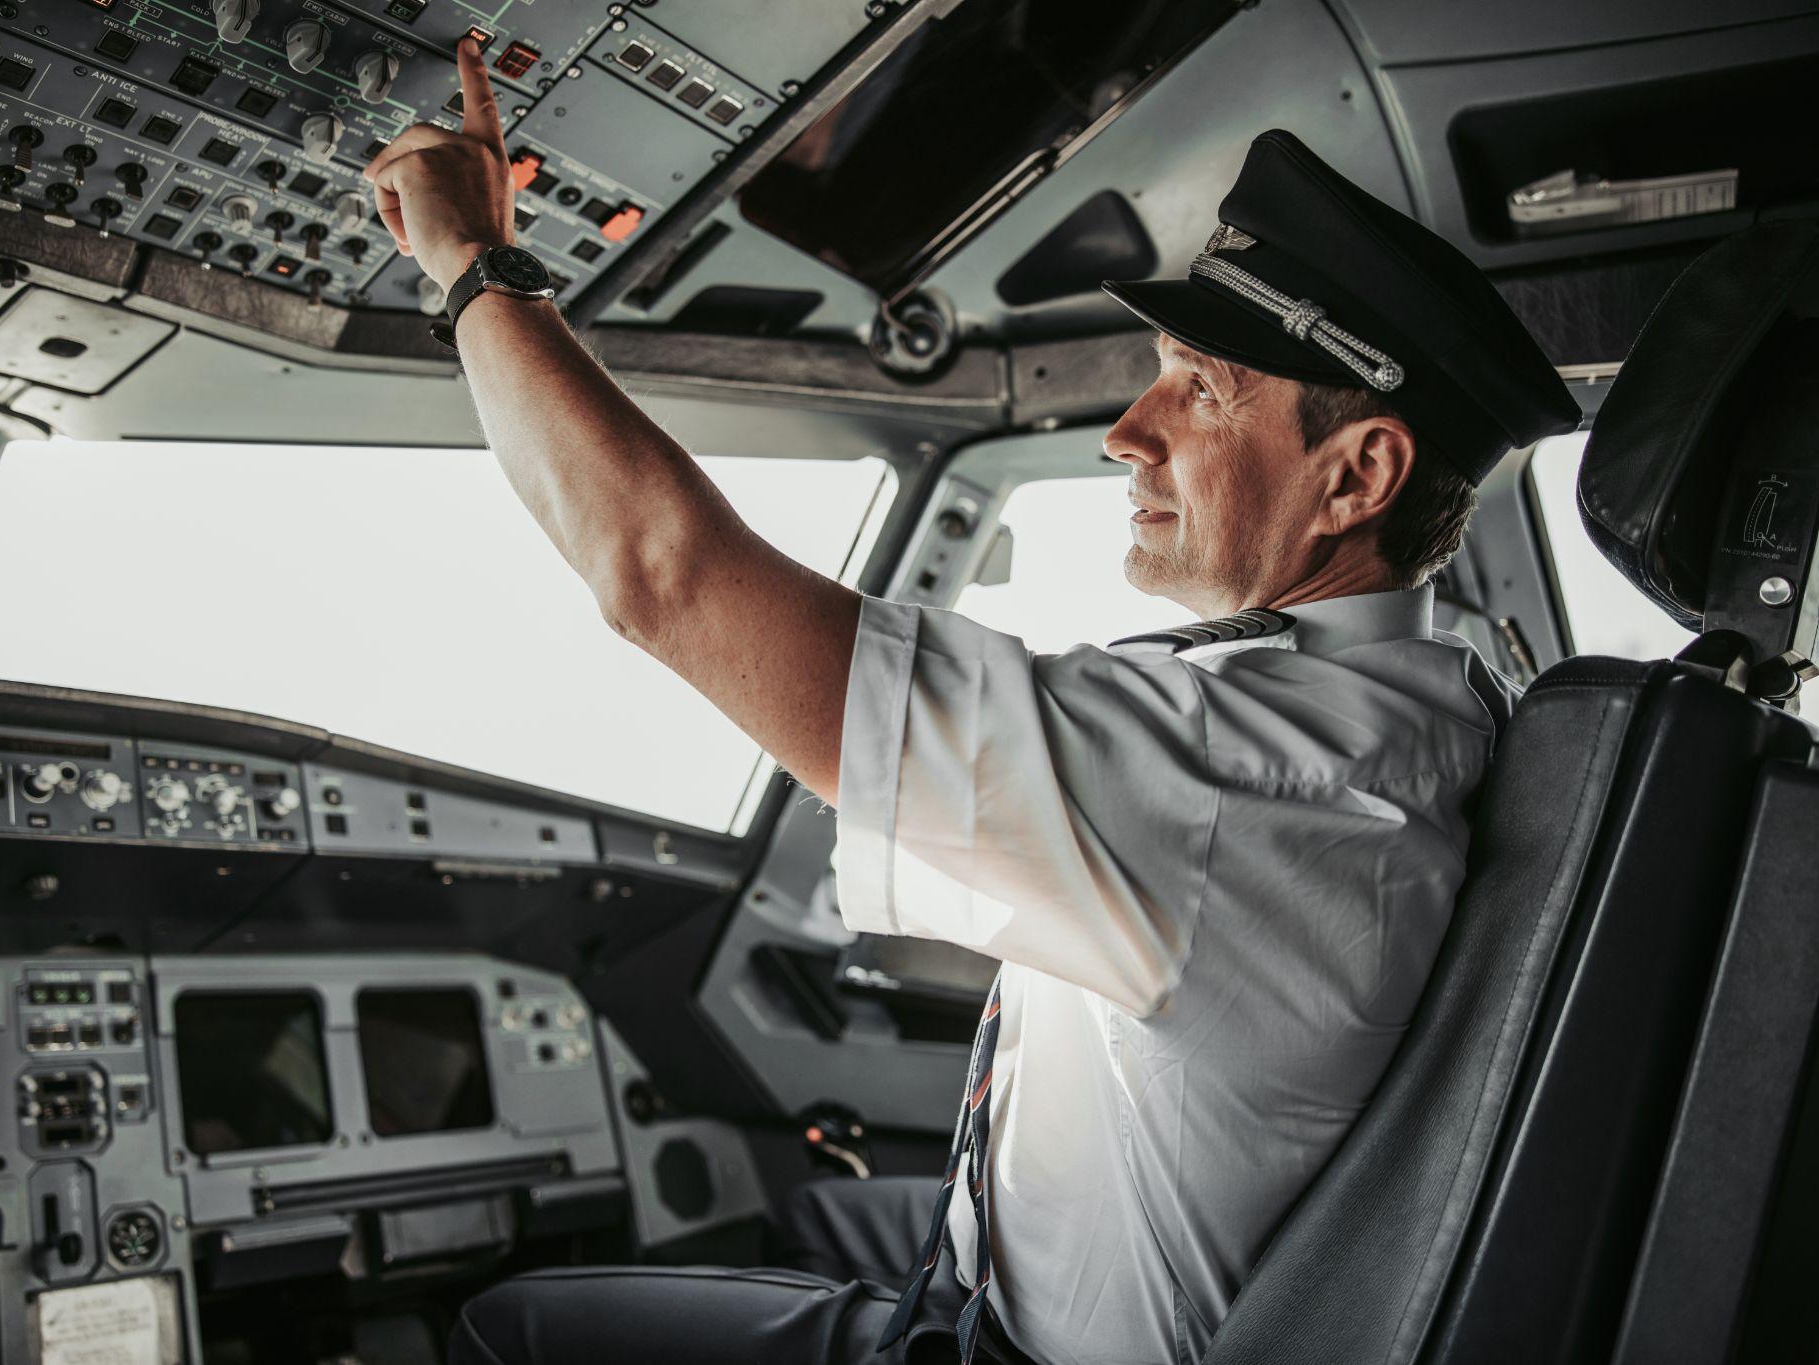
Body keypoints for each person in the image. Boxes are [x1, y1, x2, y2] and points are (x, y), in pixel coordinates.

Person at [364, 39, 1580, 1365]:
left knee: (511, 1328)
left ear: (1357, 480)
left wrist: (476, 268)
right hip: (1005, 1282)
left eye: (1200, 389)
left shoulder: (1242, 781)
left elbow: (663, 575)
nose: (1130, 429)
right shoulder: (1422, 698)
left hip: (1004, 1347)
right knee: (821, 1215)